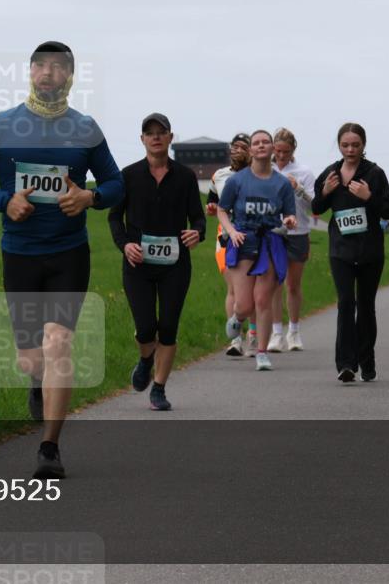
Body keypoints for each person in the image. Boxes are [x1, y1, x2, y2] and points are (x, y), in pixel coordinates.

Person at [0, 41, 123, 478]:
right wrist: (3, 201)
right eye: (41, 66)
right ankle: (35, 380)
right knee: (31, 358)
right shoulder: (2, 126)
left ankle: (50, 448)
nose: (49, 74)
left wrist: (91, 196)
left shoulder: (86, 129)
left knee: (59, 344)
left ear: (70, 77)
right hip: (21, 254)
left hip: (70, 253)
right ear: (30, 73)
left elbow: (115, 183)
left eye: (58, 68)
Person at [109, 113, 205, 410]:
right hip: (138, 264)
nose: (155, 137)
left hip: (175, 264)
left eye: (161, 132)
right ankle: (145, 357)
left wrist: (198, 233)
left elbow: (198, 217)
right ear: (142, 139)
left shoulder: (186, 177)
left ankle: (159, 389)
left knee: (168, 327)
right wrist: (125, 245)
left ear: (170, 137)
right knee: (146, 326)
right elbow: (114, 217)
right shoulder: (128, 175)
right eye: (149, 132)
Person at [312, 122, 389, 382]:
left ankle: (367, 360)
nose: (350, 149)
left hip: (370, 250)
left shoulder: (374, 173)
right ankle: (346, 364)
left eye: (355, 145)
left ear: (364, 146)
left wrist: (368, 196)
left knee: (366, 306)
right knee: (345, 303)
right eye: (345, 145)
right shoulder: (331, 173)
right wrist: (325, 192)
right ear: (339, 146)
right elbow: (317, 206)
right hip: (340, 250)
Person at [217, 130, 297, 371]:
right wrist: (231, 231)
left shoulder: (282, 183)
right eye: (256, 143)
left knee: (263, 300)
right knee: (245, 304)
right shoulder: (237, 181)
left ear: (272, 148)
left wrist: (290, 220)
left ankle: (261, 352)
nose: (261, 146)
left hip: (270, 242)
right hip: (243, 241)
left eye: (266, 142)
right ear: (251, 150)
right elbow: (222, 210)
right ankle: (238, 318)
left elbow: (289, 213)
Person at [206, 134, 256, 356]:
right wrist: (210, 208)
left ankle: (253, 334)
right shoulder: (219, 175)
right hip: (226, 237)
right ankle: (235, 339)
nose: (236, 150)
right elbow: (213, 201)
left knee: (252, 289)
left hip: (252, 236)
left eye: (242, 147)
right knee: (234, 288)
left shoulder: (259, 173)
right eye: (233, 146)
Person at [269, 128, 315, 353]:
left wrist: (298, 188)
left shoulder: (304, 172)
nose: (281, 156)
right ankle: (277, 333)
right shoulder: (265, 168)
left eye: (285, 152)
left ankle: (294, 331)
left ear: (293, 150)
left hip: (298, 232)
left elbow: (314, 205)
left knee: (293, 284)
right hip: (273, 232)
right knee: (275, 283)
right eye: (277, 151)